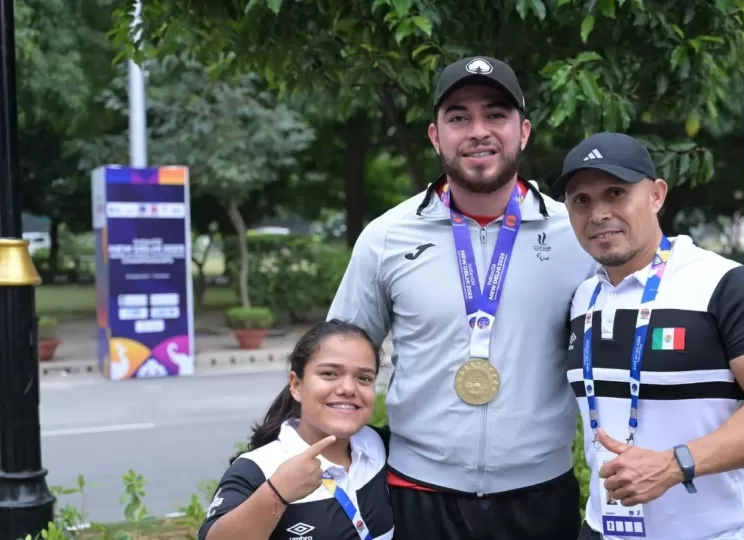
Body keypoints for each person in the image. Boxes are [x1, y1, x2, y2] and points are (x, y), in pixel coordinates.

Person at [325, 55, 596, 540]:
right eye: (458, 117)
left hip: (540, 495)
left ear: (524, 131)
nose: (478, 131)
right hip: (418, 493)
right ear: (435, 135)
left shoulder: (577, 235)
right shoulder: (386, 237)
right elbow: (335, 359)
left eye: (495, 114)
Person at [551, 132, 744, 540]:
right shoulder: (582, 298)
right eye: (581, 201)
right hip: (602, 529)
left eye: (616, 193)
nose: (598, 213)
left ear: (657, 195)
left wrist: (677, 464)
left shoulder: (725, 285)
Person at [199, 320, 393, 540]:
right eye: (329, 374)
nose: (348, 388)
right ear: (296, 385)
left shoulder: (383, 446)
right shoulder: (257, 469)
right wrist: (276, 493)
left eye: (364, 378)